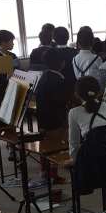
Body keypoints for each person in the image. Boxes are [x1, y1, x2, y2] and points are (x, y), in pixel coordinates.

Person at [35, 49, 67, 184]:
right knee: (56, 147)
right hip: (55, 118)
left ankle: (44, 171)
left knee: (45, 145)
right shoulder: (59, 79)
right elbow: (60, 102)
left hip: (42, 117)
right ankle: (53, 175)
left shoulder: (43, 76)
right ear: (62, 63)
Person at [68, 76, 106, 160]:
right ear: (99, 92)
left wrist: (75, 160)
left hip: (93, 158)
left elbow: (74, 143)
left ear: (76, 94)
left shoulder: (74, 112)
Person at [53, 26, 77, 98]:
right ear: (68, 37)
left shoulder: (51, 53)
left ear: (54, 38)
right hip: (73, 86)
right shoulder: (75, 52)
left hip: (56, 87)